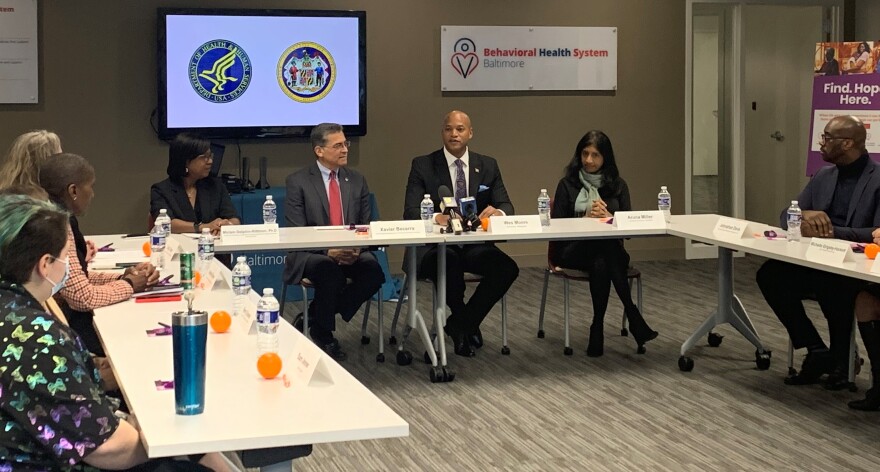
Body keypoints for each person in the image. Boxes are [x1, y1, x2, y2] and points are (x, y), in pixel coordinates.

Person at [0, 194, 232, 471]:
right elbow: (108, 448)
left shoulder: (14, 313)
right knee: (198, 455)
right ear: (45, 264)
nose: (71, 267)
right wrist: (163, 432)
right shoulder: (38, 339)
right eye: (67, 258)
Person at [756, 115, 880, 388]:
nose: (820, 144)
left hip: (856, 266)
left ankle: (841, 360)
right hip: (818, 259)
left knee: (833, 284)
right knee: (770, 275)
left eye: (827, 138)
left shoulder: (877, 179)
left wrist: (831, 231)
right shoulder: (823, 176)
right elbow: (786, 216)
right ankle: (815, 348)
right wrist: (803, 215)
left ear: (847, 143)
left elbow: (877, 232)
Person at [402, 110, 519, 357]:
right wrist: (436, 217)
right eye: (448, 129)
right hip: (435, 248)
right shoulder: (423, 165)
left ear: (470, 133)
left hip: (474, 245)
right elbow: (411, 211)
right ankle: (464, 325)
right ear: (442, 132)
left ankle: (461, 323)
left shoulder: (487, 165)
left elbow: (507, 206)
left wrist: (497, 213)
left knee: (507, 268)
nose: (454, 134)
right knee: (450, 262)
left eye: (460, 129)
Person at [550, 131, 659, 356]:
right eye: (585, 154)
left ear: (605, 158)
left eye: (595, 155)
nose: (588, 160)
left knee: (601, 259)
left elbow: (628, 229)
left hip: (608, 252)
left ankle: (597, 326)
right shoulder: (567, 185)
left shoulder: (618, 186)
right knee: (604, 251)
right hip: (573, 250)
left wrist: (610, 217)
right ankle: (633, 315)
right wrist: (585, 220)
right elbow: (556, 228)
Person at [40, 153, 160, 356]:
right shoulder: (57, 226)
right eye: (90, 186)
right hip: (72, 331)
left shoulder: (48, 216)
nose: (93, 194)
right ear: (73, 190)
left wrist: (123, 276)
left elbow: (76, 279)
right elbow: (81, 297)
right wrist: (130, 284)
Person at [282, 123, 384, 361]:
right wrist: (330, 251)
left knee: (373, 271)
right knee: (329, 272)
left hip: (350, 251)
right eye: (338, 145)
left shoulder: (357, 180)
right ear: (319, 151)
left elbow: (365, 225)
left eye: (345, 144)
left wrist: (356, 248)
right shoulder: (298, 181)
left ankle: (315, 315)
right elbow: (297, 232)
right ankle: (323, 333)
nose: (345, 150)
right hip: (311, 253)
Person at [150, 133, 240, 235]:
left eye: (210, 156)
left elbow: (234, 218)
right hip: (179, 248)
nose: (210, 161)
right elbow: (166, 224)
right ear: (186, 161)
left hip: (213, 247)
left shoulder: (216, 186)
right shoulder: (161, 190)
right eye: (204, 157)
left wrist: (227, 225)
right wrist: (203, 227)